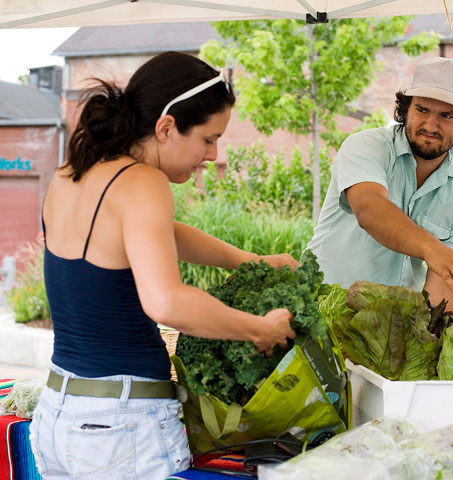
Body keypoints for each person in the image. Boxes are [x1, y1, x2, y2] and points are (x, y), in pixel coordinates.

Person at [28, 51, 296, 479]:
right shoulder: (144, 182)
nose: (212, 155)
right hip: (122, 428)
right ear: (167, 127)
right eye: (208, 138)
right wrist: (259, 328)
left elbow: (159, 233)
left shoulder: (73, 172)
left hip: (61, 414)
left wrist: (250, 260)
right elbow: (166, 302)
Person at [308, 57, 453, 311]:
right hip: (322, 312)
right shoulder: (367, 147)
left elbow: (440, 291)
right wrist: (432, 248)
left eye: (446, 115)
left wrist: (443, 340)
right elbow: (369, 209)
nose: (431, 125)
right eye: (422, 110)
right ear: (406, 110)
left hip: (391, 333)